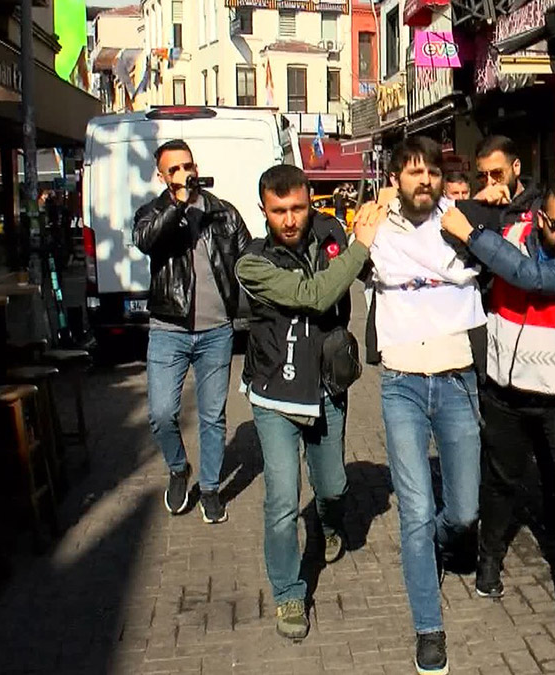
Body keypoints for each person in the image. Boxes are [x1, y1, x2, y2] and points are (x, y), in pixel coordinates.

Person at [440, 181, 555, 632]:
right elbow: (438, 212)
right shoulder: (512, 236)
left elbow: (533, 277)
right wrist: (478, 202)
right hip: (507, 393)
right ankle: (489, 560)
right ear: (540, 219)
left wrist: (476, 233)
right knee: (500, 483)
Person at [235, 164, 380, 640]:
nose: (291, 219)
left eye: (298, 207)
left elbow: (373, 263)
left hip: (327, 386)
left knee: (333, 485)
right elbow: (315, 296)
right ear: (264, 211)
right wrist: (362, 245)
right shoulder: (252, 263)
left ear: (309, 201)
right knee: (281, 498)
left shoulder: (332, 233)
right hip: (274, 394)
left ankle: (328, 517)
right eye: (279, 211)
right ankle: (288, 593)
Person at [363, 136, 485, 675]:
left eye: (432, 171)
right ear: (395, 179)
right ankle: (428, 628)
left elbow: (515, 239)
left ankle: (443, 540)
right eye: (413, 172)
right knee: (414, 512)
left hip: (458, 381)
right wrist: (353, 242)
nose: (425, 180)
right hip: (402, 385)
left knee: (463, 512)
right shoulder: (374, 226)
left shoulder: (461, 221)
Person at [133, 139, 251, 524]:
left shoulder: (223, 214)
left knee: (213, 417)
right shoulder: (153, 213)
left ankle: (212, 489)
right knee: (162, 413)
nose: (184, 173)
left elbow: (248, 259)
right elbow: (146, 241)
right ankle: (179, 468)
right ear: (162, 176)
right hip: (168, 330)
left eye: (188, 166)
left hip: (216, 331)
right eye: (174, 169)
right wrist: (177, 204)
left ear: (195, 166)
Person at [471, 135, 541, 228]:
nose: (490, 182)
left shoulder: (539, 207)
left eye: (497, 173)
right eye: (483, 176)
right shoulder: (479, 203)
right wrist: (473, 205)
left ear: (516, 167)